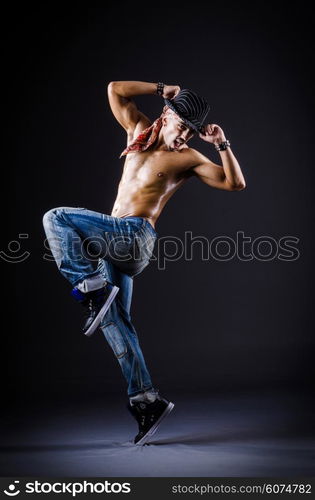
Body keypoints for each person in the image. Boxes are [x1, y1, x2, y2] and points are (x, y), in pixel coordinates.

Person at [42, 80, 246, 446]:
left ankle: (89, 288)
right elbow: (115, 89)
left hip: (135, 237)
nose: (185, 136)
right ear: (166, 116)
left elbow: (235, 184)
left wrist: (220, 145)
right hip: (114, 242)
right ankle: (146, 400)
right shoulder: (137, 131)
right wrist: (160, 88)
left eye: (192, 132)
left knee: (56, 217)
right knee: (113, 320)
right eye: (181, 126)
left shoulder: (190, 158)